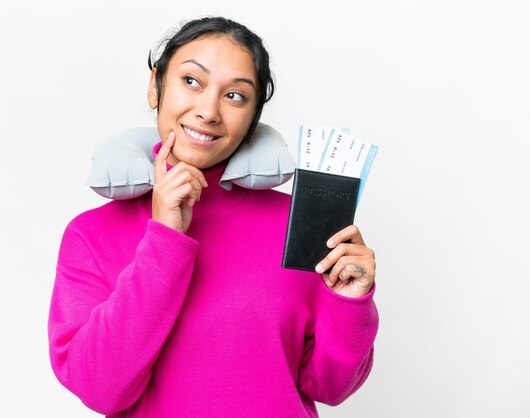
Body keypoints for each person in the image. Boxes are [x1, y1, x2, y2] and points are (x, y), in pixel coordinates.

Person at [48, 16, 378, 417]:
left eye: (235, 96)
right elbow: (100, 388)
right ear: (155, 86)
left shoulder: (298, 223)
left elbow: (328, 386)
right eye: (191, 81)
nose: (208, 111)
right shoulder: (91, 235)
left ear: (253, 117)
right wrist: (163, 240)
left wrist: (348, 304)